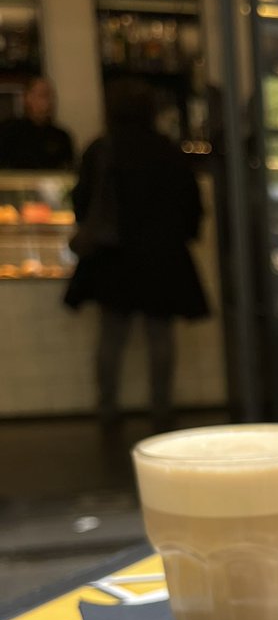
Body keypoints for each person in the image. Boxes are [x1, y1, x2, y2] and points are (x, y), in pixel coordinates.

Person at [64, 79, 209, 433]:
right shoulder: (167, 151)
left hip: (113, 259)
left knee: (111, 336)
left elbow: (82, 201)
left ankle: (107, 408)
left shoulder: (101, 149)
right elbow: (192, 206)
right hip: (161, 258)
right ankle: (162, 408)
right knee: (160, 336)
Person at [0, 76, 74, 170]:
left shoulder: (61, 136)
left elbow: (68, 171)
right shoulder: (7, 131)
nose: (49, 101)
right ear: (26, 98)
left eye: (52, 96)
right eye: (43, 95)